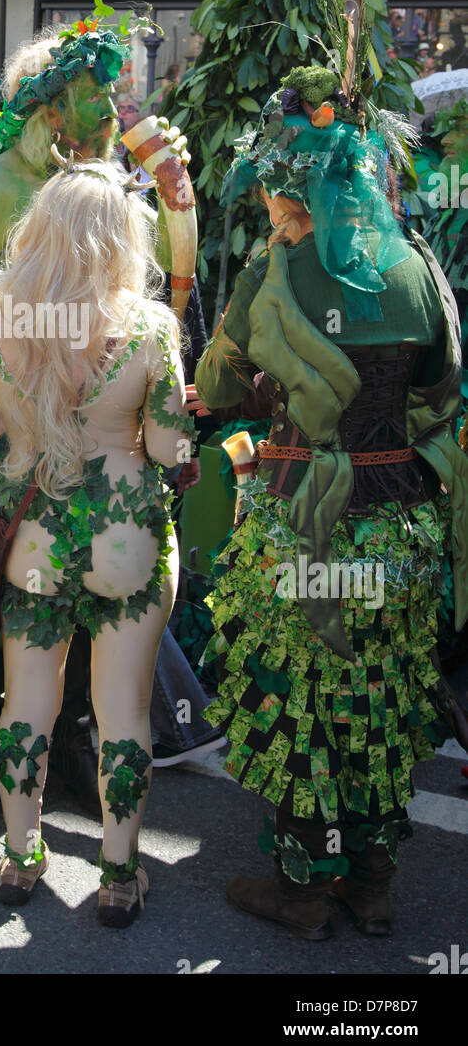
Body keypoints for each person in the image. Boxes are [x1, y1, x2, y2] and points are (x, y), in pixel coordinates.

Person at [191, 62, 466, 941]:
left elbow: (216, 382)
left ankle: (306, 884)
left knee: (302, 691)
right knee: (379, 693)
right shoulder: (417, 267)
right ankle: (374, 885)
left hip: (306, 515)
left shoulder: (278, 272)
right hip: (400, 521)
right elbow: (441, 386)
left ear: (288, 187)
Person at [0, 156, 191, 925]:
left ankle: (20, 860)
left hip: (32, 537)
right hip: (124, 536)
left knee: (24, 704)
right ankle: (118, 877)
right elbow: (165, 450)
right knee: (122, 711)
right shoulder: (150, 324)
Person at [0, 24, 138, 823]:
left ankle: (68, 756)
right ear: (52, 110)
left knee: (75, 596)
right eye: (99, 94)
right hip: (5, 443)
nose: (114, 109)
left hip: (82, 448)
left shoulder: (86, 182)